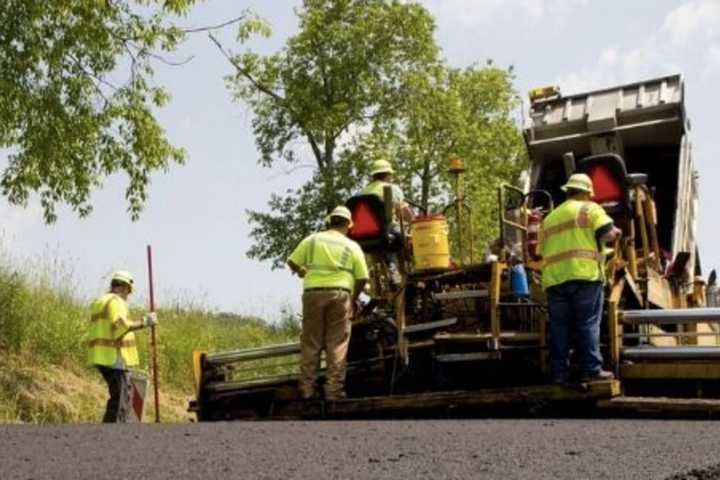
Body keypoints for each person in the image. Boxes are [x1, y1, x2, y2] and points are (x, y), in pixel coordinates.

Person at [540, 173, 621, 384]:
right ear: (587, 192)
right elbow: (608, 233)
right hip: (584, 276)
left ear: (567, 191)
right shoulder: (590, 208)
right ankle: (591, 370)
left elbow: (541, 250)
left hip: (555, 280)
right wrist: (616, 232)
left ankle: (559, 373)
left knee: (559, 327)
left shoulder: (549, 218)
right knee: (587, 323)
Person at [287, 206, 369, 401]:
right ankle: (333, 391)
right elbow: (363, 277)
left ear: (329, 221)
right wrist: (353, 298)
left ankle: (307, 389)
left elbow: (291, 261)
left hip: (312, 294)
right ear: (349, 225)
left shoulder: (312, 240)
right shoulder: (352, 246)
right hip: (340, 295)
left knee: (311, 343)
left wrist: (301, 272)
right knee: (337, 344)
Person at [87, 271, 158, 422]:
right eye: (128, 292)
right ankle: (114, 435)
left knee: (118, 397)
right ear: (123, 287)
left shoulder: (100, 301)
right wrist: (145, 322)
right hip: (114, 356)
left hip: (101, 356)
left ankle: (110, 432)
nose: (128, 296)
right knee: (121, 400)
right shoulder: (115, 301)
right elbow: (120, 326)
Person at [361, 159, 414, 285]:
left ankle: (382, 276)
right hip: (386, 230)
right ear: (388, 175)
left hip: (365, 236)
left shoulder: (363, 192)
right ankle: (396, 271)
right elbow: (404, 212)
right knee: (402, 240)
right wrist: (415, 223)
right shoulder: (392, 189)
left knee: (389, 242)